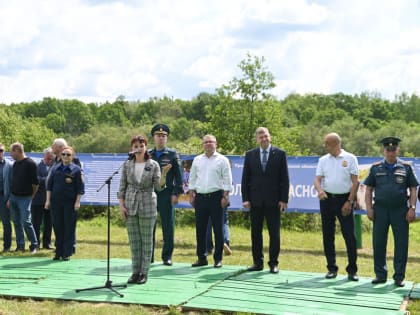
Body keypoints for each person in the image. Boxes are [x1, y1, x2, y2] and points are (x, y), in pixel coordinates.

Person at [364, 137, 418, 287]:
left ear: (397, 150)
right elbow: (368, 189)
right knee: (379, 243)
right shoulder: (376, 168)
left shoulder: (406, 167)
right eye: (388, 150)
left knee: (401, 244)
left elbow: (413, 188)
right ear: (384, 150)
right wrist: (369, 209)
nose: (391, 152)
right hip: (380, 210)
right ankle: (380, 275)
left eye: (393, 149)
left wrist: (412, 208)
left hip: (400, 210)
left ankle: (399, 276)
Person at [118, 135, 170, 285]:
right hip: (130, 204)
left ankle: (144, 273)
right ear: (132, 149)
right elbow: (122, 187)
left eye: (141, 146)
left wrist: (164, 175)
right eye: (135, 146)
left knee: (147, 241)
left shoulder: (153, 164)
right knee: (134, 241)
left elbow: (159, 187)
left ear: (146, 147)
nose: (138, 149)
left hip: (147, 204)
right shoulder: (127, 165)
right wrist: (122, 206)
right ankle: (135, 272)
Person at [242, 127, 289, 274]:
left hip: (274, 201)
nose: (264, 139)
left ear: (270, 137)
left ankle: (273, 263)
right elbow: (245, 179)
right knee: (256, 233)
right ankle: (257, 262)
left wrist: (284, 199)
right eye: (261, 137)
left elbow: (285, 179)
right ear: (257, 139)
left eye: (266, 136)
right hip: (255, 201)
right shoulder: (250, 155)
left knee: (274, 234)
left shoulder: (280, 154)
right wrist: (245, 198)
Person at [314, 133, 359, 281]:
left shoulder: (350, 158)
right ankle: (331, 268)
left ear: (335, 144)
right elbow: (317, 180)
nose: (324, 146)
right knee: (328, 234)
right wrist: (320, 191)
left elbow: (355, 182)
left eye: (326, 144)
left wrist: (349, 201)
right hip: (327, 199)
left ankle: (352, 270)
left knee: (349, 236)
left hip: (344, 200)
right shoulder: (323, 160)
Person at [189, 134, 232, 268]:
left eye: (211, 142)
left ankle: (218, 259)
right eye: (205, 142)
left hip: (216, 197)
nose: (208, 144)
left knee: (218, 230)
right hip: (200, 197)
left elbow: (227, 179)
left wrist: (225, 196)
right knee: (200, 229)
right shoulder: (197, 160)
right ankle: (202, 258)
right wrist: (191, 194)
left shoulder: (222, 160)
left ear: (216, 144)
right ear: (203, 145)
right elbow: (192, 179)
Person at [149, 124, 183, 266]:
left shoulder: (172, 155)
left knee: (168, 226)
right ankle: (148, 256)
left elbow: (179, 177)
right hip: (150, 194)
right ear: (154, 137)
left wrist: (176, 193)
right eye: (158, 135)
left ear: (167, 138)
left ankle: (167, 256)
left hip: (166, 194)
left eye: (164, 136)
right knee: (149, 225)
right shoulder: (148, 154)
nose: (161, 138)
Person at [45, 146, 84, 261]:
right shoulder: (55, 169)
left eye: (68, 154)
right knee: (57, 226)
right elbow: (49, 186)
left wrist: (77, 202)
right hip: (56, 202)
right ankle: (58, 252)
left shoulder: (76, 170)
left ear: (72, 157)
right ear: (60, 156)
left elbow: (80, 188)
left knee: (69, 227)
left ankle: (66, 252)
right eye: (63, 154)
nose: (65, 156)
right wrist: (47, 201)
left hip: (70, 203)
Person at [8, 142, 39, 254]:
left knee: (26, 221)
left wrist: (31, 195)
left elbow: (35, 183)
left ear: (17, 150)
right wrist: (10, 198)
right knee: (16, 222)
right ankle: (20, 246)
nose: (10, 154)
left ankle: (34, 245)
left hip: (25, 198)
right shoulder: (15, 164)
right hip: (13, 197)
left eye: (11, 151)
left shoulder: (31, 163)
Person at [31, 147, 54, 250]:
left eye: (51, 158)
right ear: (43, 156)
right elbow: (36, 180)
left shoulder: (55, 166)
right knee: (36, 223)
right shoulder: (36, 166)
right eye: (48, 158)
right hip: (37, 199)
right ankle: (35, 244)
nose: (50, 160)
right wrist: (49, 180)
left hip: (51, 200)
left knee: (49, 223)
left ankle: (47, 243)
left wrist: (44, 180)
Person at [0, 143, 13, 253]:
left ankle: (7, 246)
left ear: (4, 152)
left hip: (4, 198)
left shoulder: (9, 164)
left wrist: (10, 198)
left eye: (1, 150)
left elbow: (13, 183)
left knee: (6, 223)